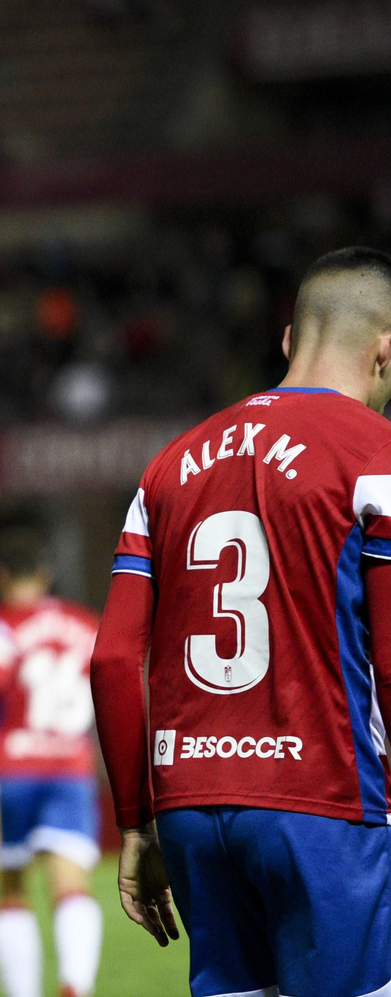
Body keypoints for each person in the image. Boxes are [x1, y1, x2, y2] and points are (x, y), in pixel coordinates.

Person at [92, 246, 391, 997]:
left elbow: (111, 660)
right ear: (385, 352)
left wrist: (135, 826)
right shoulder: (377, 457)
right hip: (329, 805)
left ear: (290, 338)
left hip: (192, 808)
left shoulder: (168, 465)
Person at [0, 530, 103, 997]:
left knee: (10, 887)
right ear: (45, 574)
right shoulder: (85, 624)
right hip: (70, 767)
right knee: (70, 883)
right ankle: (75, 984)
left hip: (11, 769)